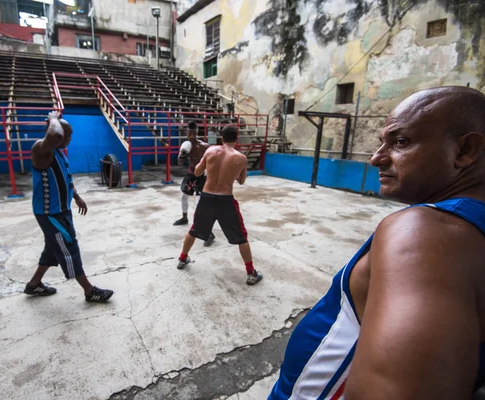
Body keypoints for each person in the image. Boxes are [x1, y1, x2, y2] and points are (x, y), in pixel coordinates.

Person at [269, 86, 485, 399]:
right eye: (381, 143)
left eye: (401, 142)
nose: (375, 158)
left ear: (465, 150)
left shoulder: (426, 232)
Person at [24, 111, 114, 303]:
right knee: (69, 248)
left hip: (60, 211)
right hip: (51, 213)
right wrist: (54, 118)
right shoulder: (41, 149)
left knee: (52, 248)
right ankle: (90, 291)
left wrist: (77, 197)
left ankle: (34, 284)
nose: (71, 138)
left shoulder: (57, 153)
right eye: (68, 134)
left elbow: (64, 178)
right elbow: (55, 134)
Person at [177, 125, 262, 285]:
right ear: (236, 138)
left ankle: (182, 259)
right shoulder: (241, 158)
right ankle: (251, 273)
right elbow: (242, 181)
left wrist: (212, 167)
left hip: (207, 197)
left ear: (221, 138)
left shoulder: (210, 151)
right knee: (242, 237)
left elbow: (196, 172)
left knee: (194, 229)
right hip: (225, 201)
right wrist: (231, 171)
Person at [174, 121, 215, 247]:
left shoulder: (204, 146)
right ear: (186, 133)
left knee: (199, 204)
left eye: (193, 133)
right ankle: (185, 218)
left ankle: (209, 233)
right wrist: (182, 155)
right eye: (189, 133)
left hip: (201, 176)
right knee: (183, 197)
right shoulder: (185, 145)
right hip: (191, 175)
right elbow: (179, 162)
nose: (191, 136)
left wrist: (210, 175)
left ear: (197, 133)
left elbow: (212, 161)